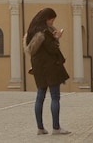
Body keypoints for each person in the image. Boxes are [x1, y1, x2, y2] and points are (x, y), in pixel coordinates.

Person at [25, 7, 71, 135]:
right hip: (51, 67)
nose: (52, 22)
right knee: (55, 97)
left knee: (40, 96)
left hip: (38, 68)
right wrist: (57, 38)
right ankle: (56, 128)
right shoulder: (45, 32)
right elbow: (52, 49)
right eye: (52, 20)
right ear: (47, 19)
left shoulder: (31, 31)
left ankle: (40, 128)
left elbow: (32, 51)